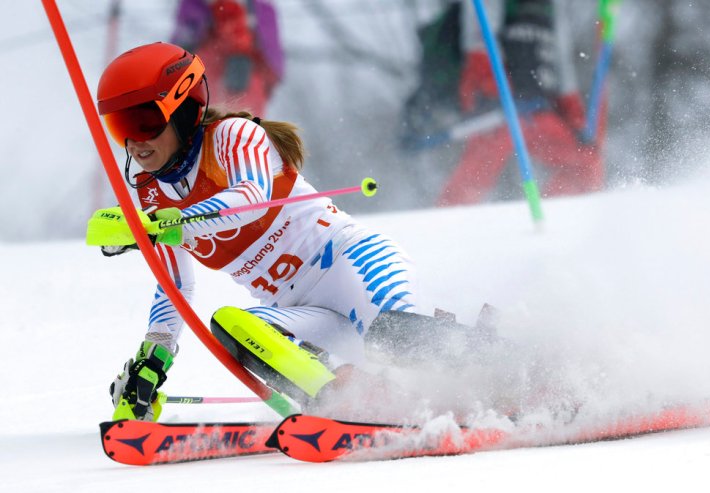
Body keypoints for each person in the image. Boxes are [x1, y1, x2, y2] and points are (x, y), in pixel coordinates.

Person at [89, 42, 419, 421]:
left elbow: (251, 198)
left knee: (402, 343)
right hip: (297, 312)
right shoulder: (151, 194)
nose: (134, 141)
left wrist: (171, 224)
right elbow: (174, 287)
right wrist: (152, 361)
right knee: (233, 327)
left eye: (144, 122)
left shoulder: (234, 136)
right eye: (120, 128)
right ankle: (344, 401)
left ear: (182, 110)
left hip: (349, 265)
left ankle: (495, 369)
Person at [406, 0, 606, 205]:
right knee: (478, 170)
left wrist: (570, 107)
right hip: (493, 98)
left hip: (536, 107)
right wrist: (490, 85)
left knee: (585, 162)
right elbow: (478, 37)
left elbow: (561, 57)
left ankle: (557, 221)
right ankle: (448, 219)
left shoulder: (553, 6)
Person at [170, 0, 284, 116]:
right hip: (245, 91)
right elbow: (273, 63)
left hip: (208, 88)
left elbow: (181, 47)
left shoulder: (196, 8)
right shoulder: (261, 8)